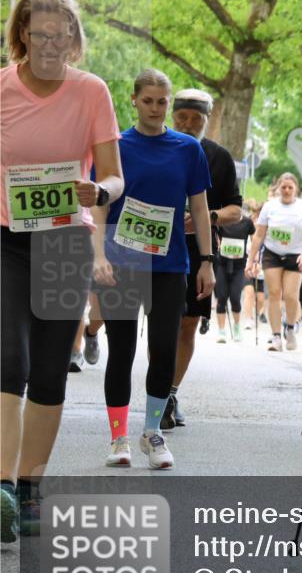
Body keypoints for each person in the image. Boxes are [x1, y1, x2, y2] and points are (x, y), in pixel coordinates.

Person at [1, 0, 123, 541]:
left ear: (73, 37)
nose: (50, 44)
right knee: (9, 360)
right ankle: (2, 486)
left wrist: (99, 192)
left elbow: (114, 176)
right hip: (6, 239)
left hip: (64, 243)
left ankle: (30, 486)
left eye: (60, 35)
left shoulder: (91, 91)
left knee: (51, 368)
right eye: (40, 35)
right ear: (22, 35)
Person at [94, 68, 213, 471]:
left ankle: (152, 432)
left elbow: (199, 208)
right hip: (121, 261)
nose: (155, 108)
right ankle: (118, 437)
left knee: (163, 348)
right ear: (134, 100)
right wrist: (98, 256)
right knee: (122, 349)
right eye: (148, 101)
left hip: (169, 264)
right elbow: (99, 205)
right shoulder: (115, 146)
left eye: (162, 102)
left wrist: (208, 261)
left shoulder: (187, 149)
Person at [161, 88, 242, 429]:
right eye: (182, 118)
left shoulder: (218, 157)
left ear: (208, 121)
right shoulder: (157, 147)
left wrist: (208, 217)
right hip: (158, 245)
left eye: (196, 119)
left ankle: (170, 393)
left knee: (188, 323)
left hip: (199, 249)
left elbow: (236, 209)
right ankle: (158, 393)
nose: (188, 124)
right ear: (172, 116)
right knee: (162, 324)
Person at [245, 172, 302, 351]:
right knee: (274, 294)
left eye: (290, 187)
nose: (286, 190)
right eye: (283, 187)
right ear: (278, 188)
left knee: (291, 295)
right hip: (272, 254)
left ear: (295, 189)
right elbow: (259, 235)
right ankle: (276, 336)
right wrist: (250, 260)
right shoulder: (270, 206)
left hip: (295, 255)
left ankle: (290, 328)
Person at [214, 209, 256, 342]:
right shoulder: (222, 221)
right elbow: (215, 236)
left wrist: (254, 260)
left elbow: (255, 239)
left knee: (235, 297)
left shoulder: (247, 223)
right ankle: (221, 331)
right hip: (222, 264)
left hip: (239, 266)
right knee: (221, 297)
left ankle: (237, 327)